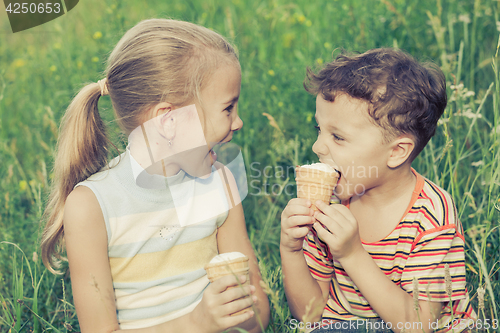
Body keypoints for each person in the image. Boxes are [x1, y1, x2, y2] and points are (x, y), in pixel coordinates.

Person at [40, 18, 269, 333]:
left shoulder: (220, 182)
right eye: (227, 109)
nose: (238, 121)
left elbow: (257, 316)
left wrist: (242, 311)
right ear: (169, 120)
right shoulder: (92, 206)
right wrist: (196, 323)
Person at [280, 48, 476, 333]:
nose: (318, 147)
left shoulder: (431, 215)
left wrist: (351, 254)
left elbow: (419, 325)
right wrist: (291, 249)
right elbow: (310, 316)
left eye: (338, 136)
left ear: (396, 152)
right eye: (318, 129)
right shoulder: (330, 205)